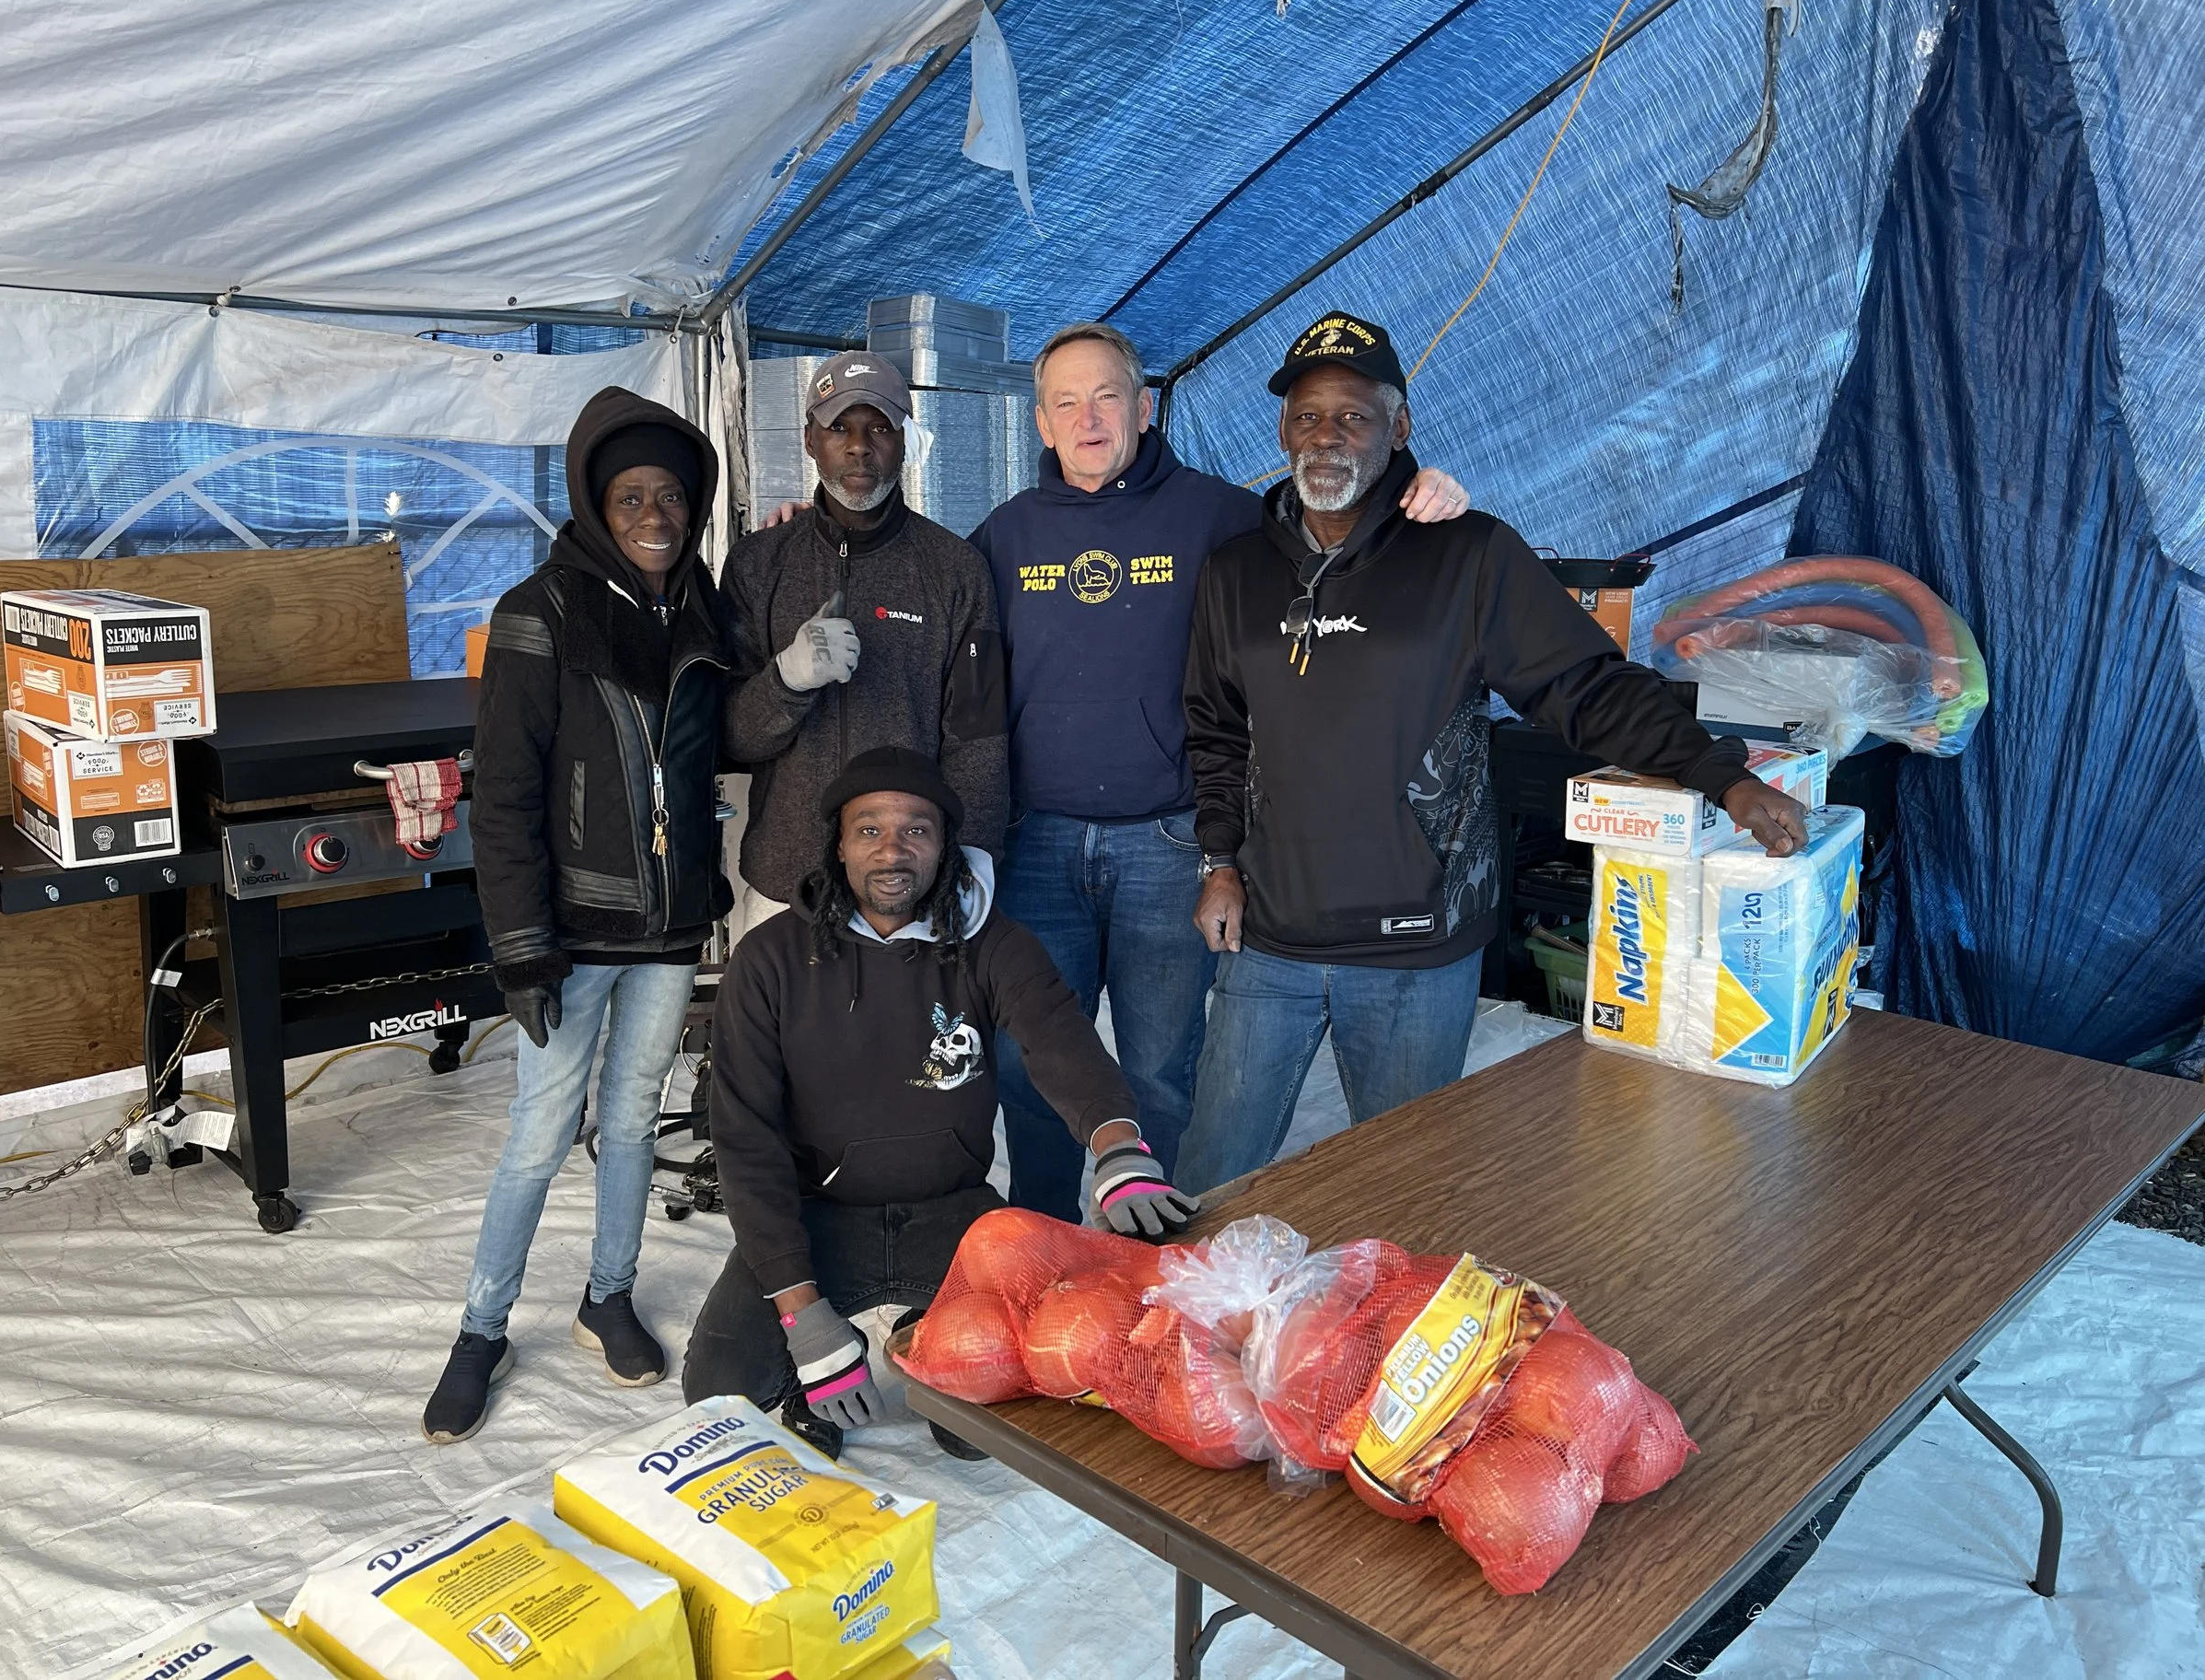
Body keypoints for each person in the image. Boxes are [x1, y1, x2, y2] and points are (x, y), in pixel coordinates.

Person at [1176, 310, 1809, 1193]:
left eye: (1354, 416)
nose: (1328, 436)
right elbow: (1215, 730)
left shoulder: (1469, 553)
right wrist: (1218, 861)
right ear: (1282, 430)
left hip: (1417, 949)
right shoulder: (1235, 572)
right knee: (1209, 1181)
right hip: (1269, 940)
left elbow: (1581, 684)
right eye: (1309, 416)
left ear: (1399, 427)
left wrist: (1720, 776)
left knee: (1408, 1197)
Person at [968, 320, 1473, 1220]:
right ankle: (1043, 1239)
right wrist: (811, 532)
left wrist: (1418, 491)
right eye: (1066, 404)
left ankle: (1157, 1245)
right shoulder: (1004, 535)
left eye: (1107, 397)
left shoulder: (1220, 515)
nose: (1088, 419)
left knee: (1162, 1062)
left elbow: (1341, 523)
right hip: (1037, 844)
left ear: (1145, 407)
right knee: (1030, 1058)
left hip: (1170, 840)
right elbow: (927, 605)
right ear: (1040, 422)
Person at [685, 745, 1196, 1460]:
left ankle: (926, 1331)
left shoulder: (988, 941)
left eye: (916, 830)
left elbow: (1058, 1034)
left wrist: (1117, 1145)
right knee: (719, 1390)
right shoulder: (769, 959)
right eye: (869, 829)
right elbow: (746, 1138)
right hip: (819, 1216)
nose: (893, 850)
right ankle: (831, 1353)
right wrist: (804, 1318)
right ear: (838, 845)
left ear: (945, 846)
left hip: (953, 1214)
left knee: (978, 1433)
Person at [425, 385, 733, 1443]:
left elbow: (719, 745)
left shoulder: (699, 609)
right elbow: (504, 794)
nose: (654, 514)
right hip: (571, 934)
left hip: (669, 928)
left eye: (671, 496)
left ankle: (609, 1296)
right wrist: (521, 949)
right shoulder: (540, 612)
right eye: (630, 495)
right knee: (540, 1134)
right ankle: (481, 1329)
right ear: (596, 505)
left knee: (635, 1116)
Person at [721, 352, 1006, 930]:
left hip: (910, 885)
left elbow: (979, 738)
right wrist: (787, 681)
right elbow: (733, 738)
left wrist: (965, 866)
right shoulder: (758, 563)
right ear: (809, 440)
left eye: (879, 427)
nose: (859, 447)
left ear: (905, 441)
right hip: (786, 882)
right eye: (839, 428)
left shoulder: (956, 570)